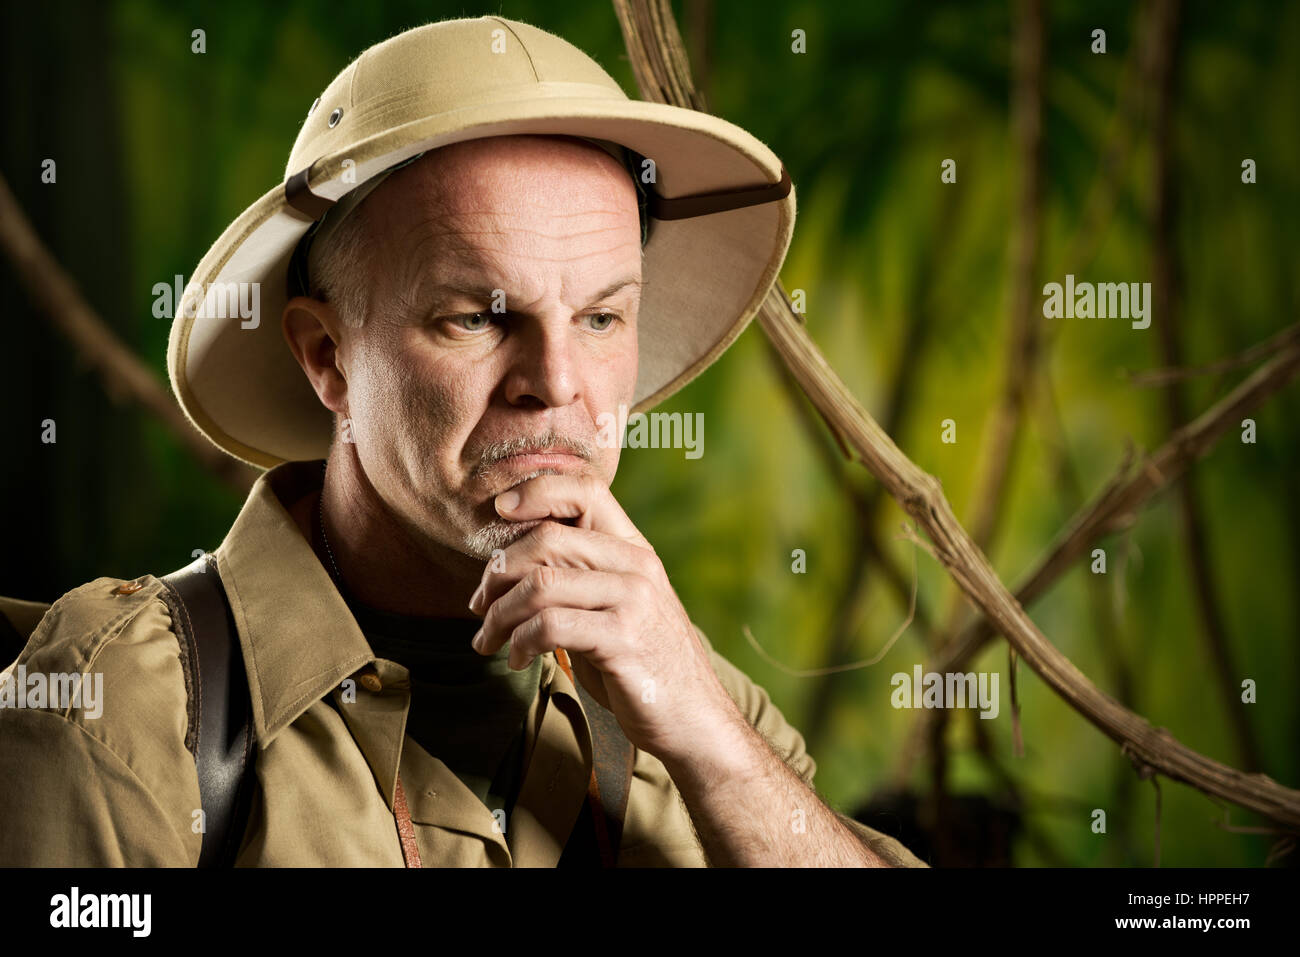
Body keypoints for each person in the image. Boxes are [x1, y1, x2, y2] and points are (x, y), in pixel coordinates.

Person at [0, 16, 925, 868]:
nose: (557, 383)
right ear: (328, 357)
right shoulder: (124, 710)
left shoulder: (688, 694)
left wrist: (714, 746)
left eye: (601, 317)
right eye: (477, 319)